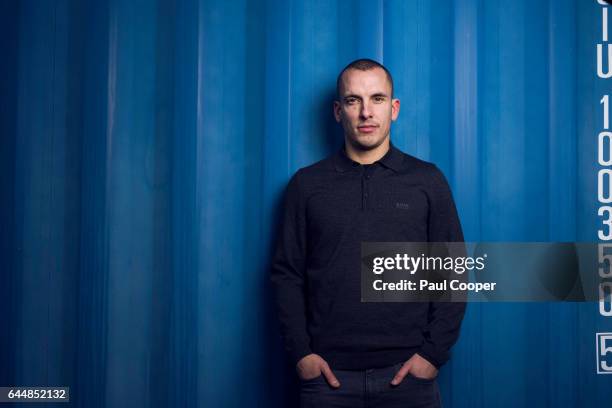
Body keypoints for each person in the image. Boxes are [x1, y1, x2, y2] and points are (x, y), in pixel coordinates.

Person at [270, 59, 466, 408]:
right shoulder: (307, 185)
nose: (365, 113)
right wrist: (301, 354)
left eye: (377, 99)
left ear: (394, 109)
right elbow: (287, 275)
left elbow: (452, 272)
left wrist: (432, 356)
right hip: (327, 382)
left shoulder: (427, 181)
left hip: (407, 379)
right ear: (337, 111)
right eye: (352, 100)